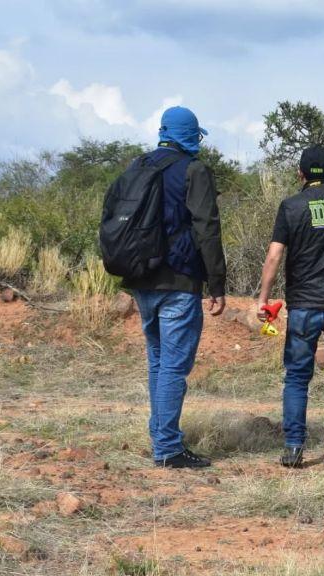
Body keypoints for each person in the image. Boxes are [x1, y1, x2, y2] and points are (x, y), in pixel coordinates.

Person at [123, 106, 227, 469]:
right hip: (179, 280)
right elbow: (206, 227)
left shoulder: (138, 165)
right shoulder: (193, 170)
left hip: (141, 279)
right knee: (173, 366)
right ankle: (167, 448)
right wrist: (217, 282)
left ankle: (160, 437)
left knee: (157, 361)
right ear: (190, 134)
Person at [256, 145, 324, 469]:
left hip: (304, 305)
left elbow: (274, 256)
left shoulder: (291, 207)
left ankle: (293, 448)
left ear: (300, 174)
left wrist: (263, 299)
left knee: (296, 377)